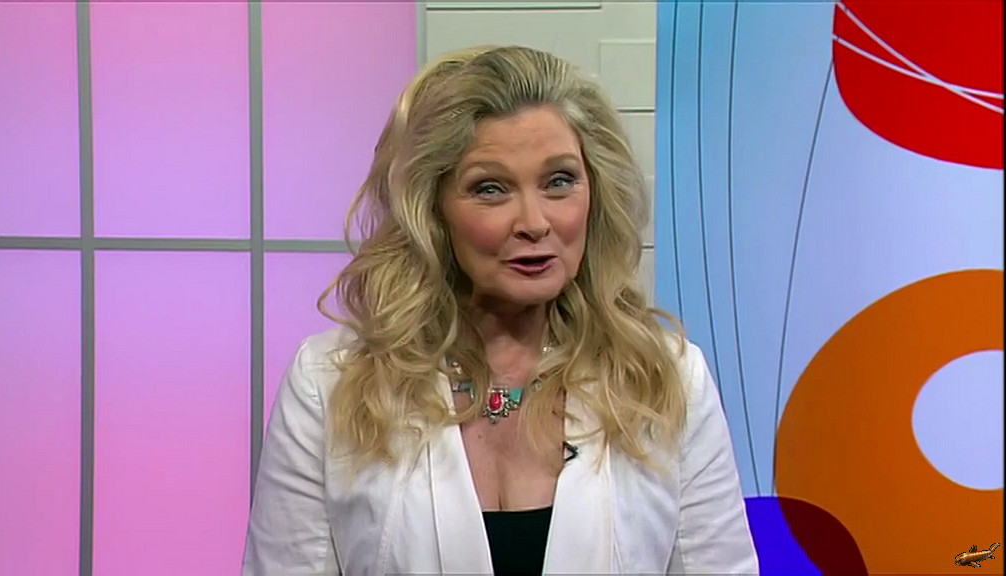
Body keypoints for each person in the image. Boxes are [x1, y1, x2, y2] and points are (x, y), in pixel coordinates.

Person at [242, 45, 758, 575]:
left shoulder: (664, 380)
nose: (534, 222)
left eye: (559, 181)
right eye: (490, 189)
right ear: (432, 210)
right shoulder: (331, 385)